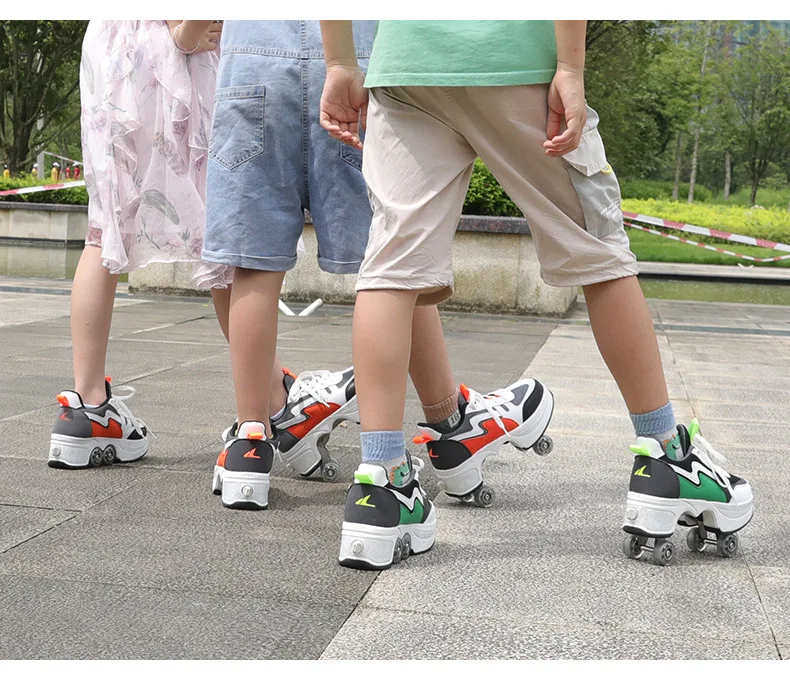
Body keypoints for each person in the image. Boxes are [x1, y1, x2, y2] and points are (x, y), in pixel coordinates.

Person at [319, 20, 753, 568]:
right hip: (515, 53)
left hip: (407, 65)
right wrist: (570, 67)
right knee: (600, 252)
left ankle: (380, 483)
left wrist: (340, 63)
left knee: (390, 268)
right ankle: (667, 456)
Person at [202, 20, 553, 513]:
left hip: (254, 58)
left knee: (253, 263)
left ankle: (251, 441)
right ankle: (452, 424)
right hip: (355, 55)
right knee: (394, 258)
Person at [48, 20, 230, 470]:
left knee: (102, 228)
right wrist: (189, 29)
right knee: (222, 228)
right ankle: (273, 402)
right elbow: (183, 32)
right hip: (161, 54)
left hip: (108, 49)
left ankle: (87, 404)